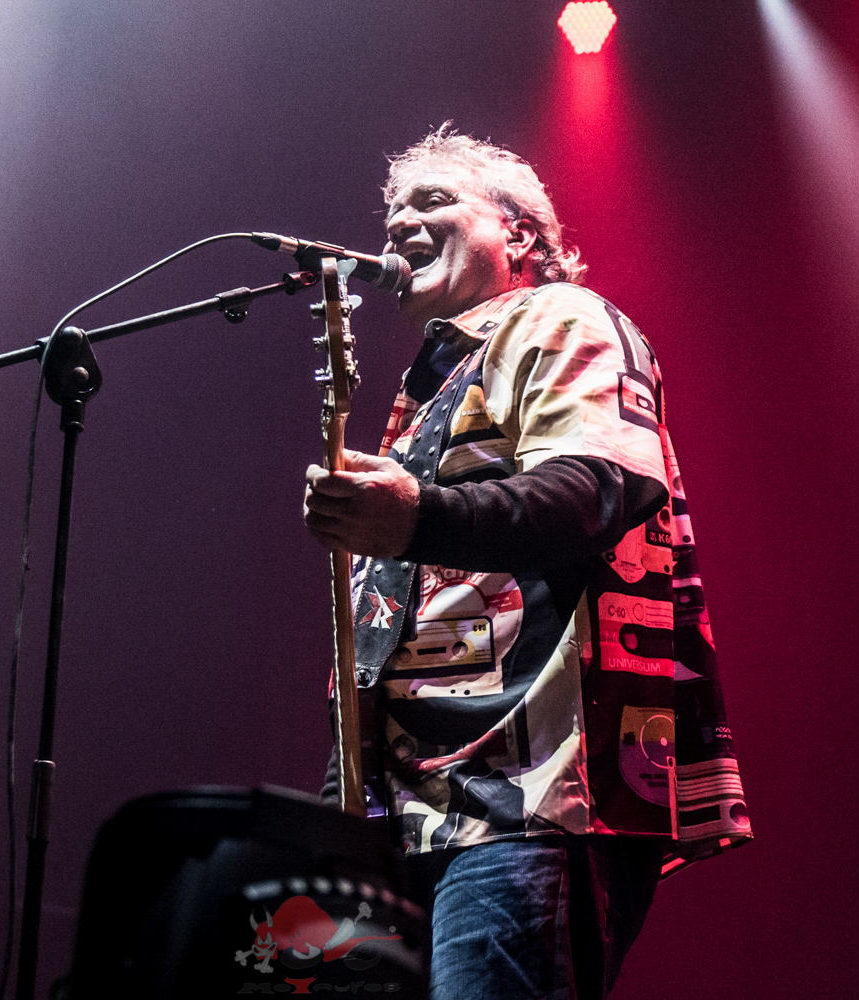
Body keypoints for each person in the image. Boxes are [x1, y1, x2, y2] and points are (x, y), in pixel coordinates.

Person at [306, 126, 751, 999]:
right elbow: (380, 636)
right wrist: (336, 818)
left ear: (519, 234)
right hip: (404, 819)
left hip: (529, 797)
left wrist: (414, 517)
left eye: (434, 202)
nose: (398, 225)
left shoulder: (561, 318)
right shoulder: (427, 394)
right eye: (393, 212)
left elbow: (597, 490)